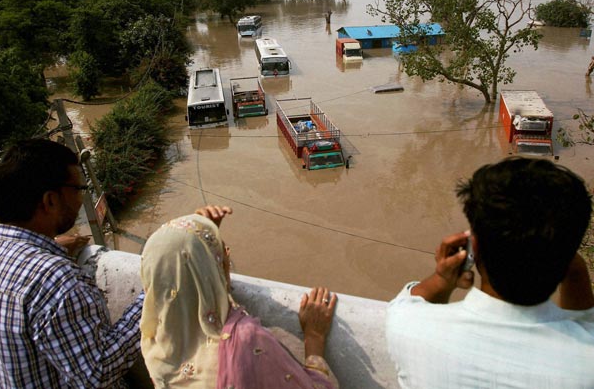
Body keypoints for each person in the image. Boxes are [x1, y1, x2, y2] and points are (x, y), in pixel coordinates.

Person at [386, 157, 594, 388]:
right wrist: (572, 265)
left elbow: (411, 301)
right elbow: (586, 326)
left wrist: (442, 279)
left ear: (472, 247)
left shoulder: (406, 325)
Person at [0, 139, 144, 388]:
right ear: (50, 200)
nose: (79, 201)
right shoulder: (56, 280)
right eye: (78, 189)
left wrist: (51, 246)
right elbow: (99, 371)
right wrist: (155, 291)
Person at [140, 205, 338, 388]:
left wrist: (205, 238)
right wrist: (314, 338)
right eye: (222, 254)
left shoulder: (154, 341)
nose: (226, 255)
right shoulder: (247, 341)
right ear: (211, 272)